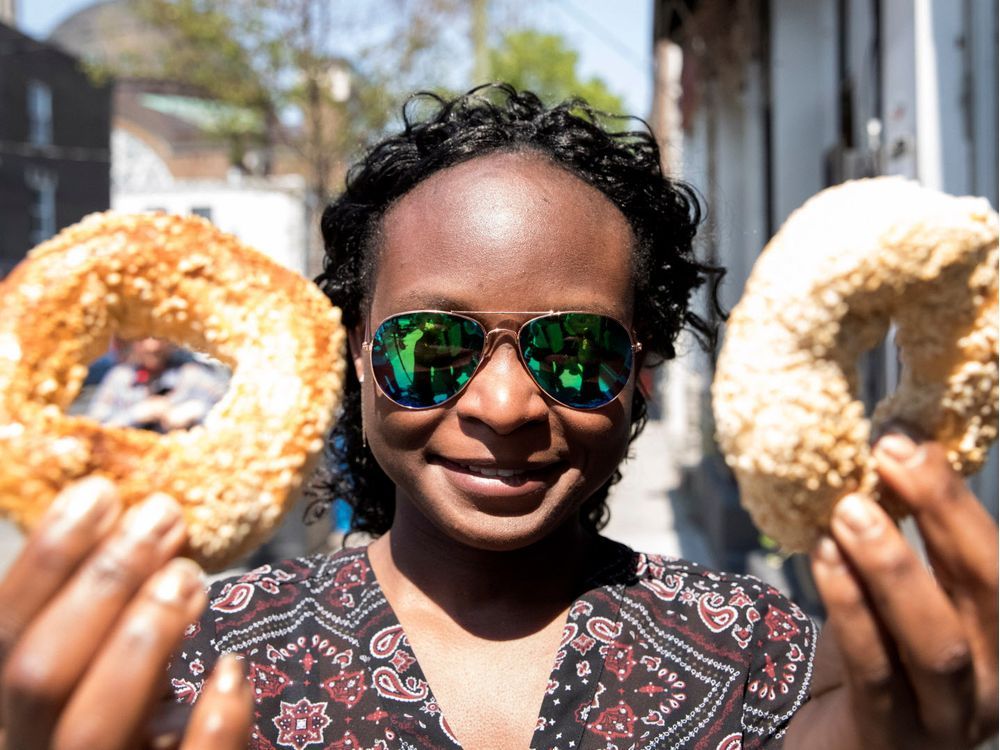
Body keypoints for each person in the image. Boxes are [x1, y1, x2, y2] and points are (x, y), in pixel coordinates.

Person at [0, 86, 995, 750]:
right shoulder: (179, 665)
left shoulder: (782, 666)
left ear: (639, 373)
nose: (506, 405)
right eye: (432, 349)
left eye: (573, 352)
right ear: (351, 357)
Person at [86, 337, 229, 433]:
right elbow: (95, 428)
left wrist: (199, 411)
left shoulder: (193, 373)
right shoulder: (119, 378)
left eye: (159, 338)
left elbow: (230, 414)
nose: (152, 347)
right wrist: (135, 415)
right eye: (143, 338)